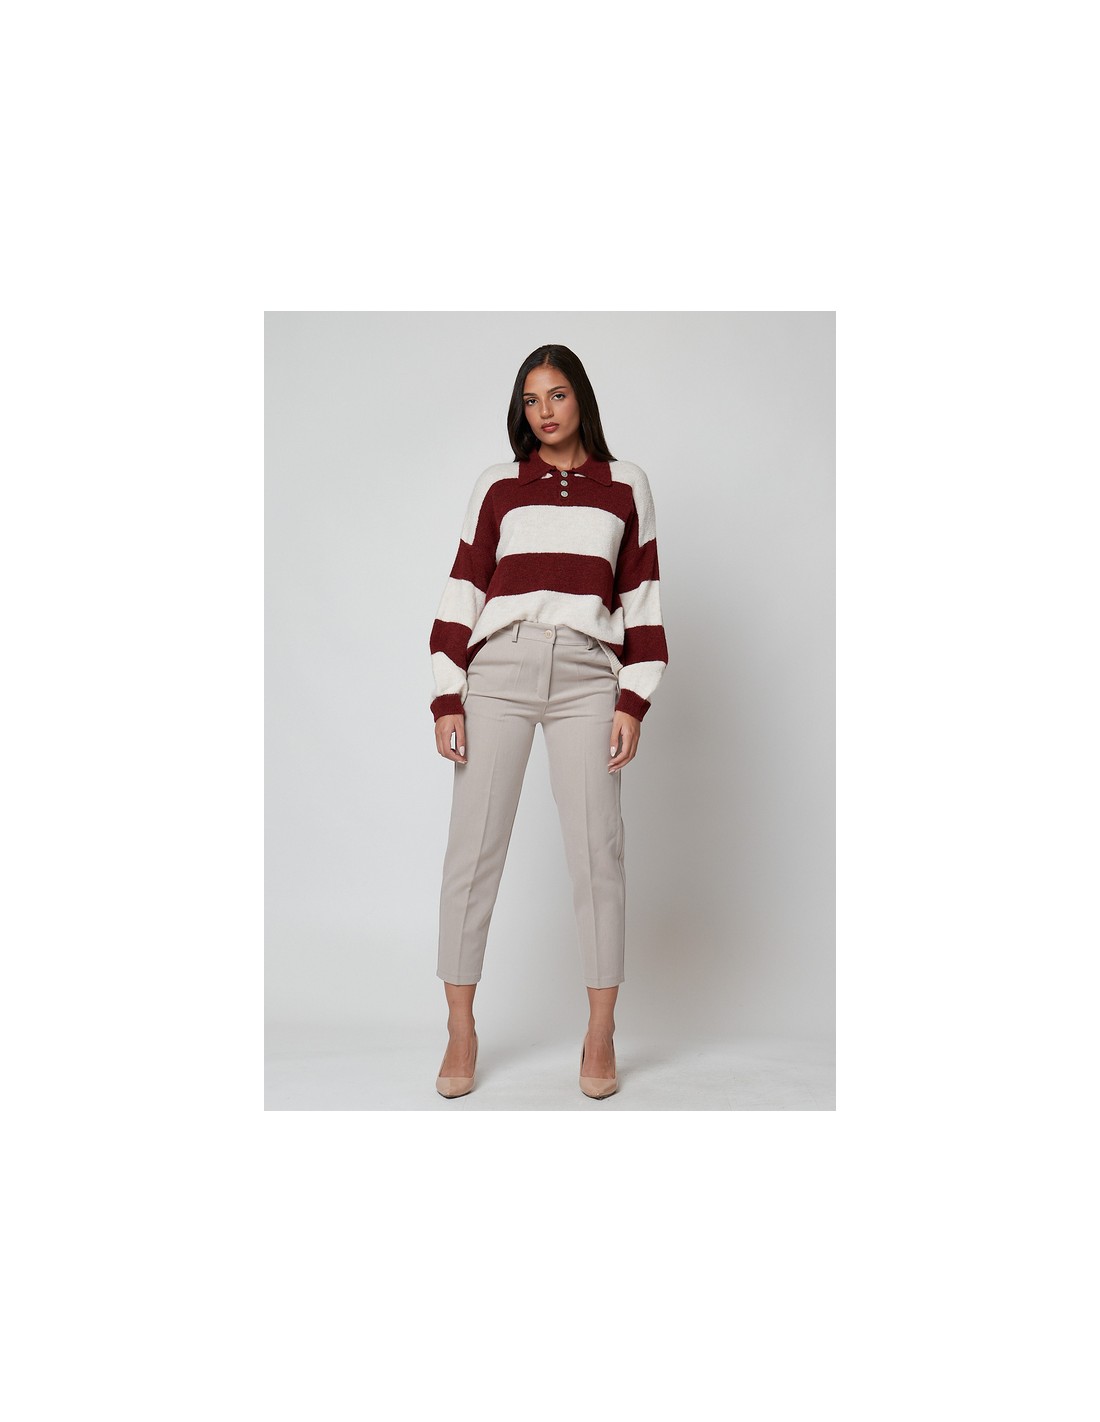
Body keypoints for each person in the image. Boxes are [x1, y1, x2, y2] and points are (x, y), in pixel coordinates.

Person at [428, 344, 669, 1100]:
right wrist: (447, 694)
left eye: (557, 395)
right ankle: (460, 1027)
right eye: (531, 400)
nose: (544, 412)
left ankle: (601, 1031)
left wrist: (633, 698)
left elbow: (642, 599)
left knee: (599, 854)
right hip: (499, 669)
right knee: (472, 852)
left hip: (588, 676)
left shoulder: (625, 486)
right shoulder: (498, 486)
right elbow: (465, 586)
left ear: (581, 400)